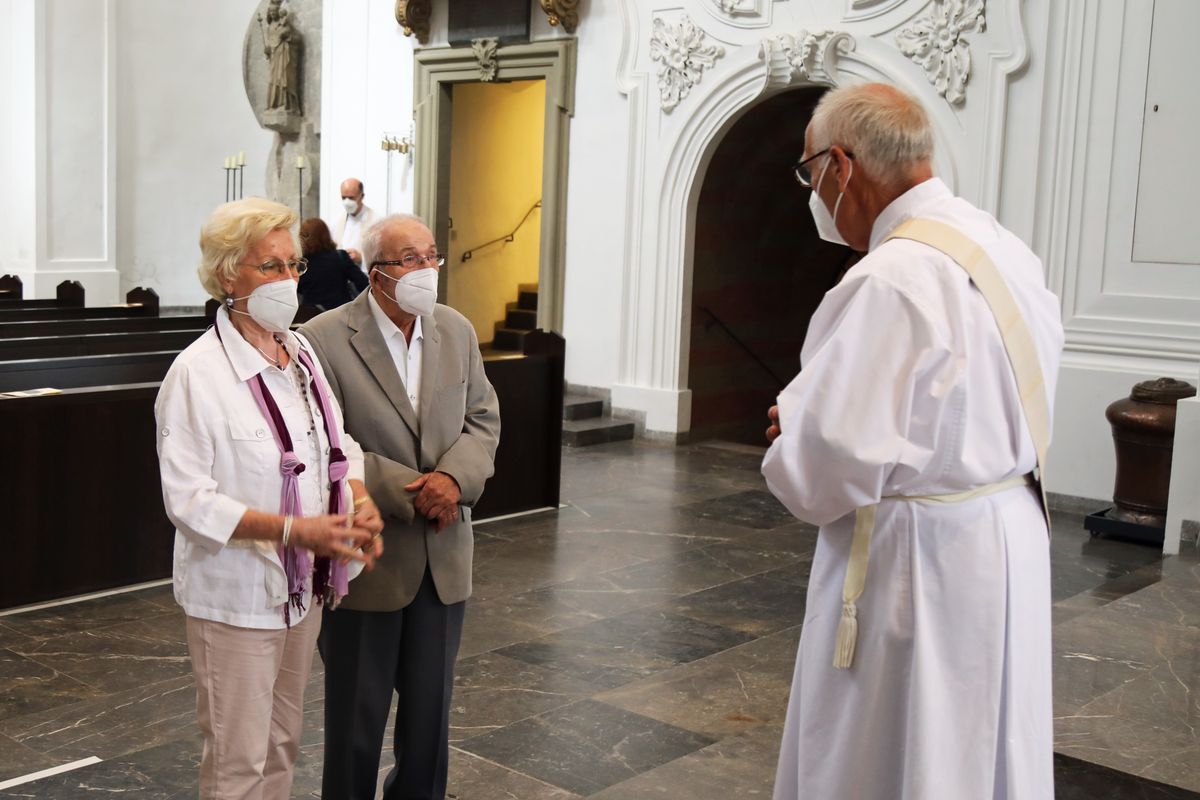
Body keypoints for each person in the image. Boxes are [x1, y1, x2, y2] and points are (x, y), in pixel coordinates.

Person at [762, 83, 1064, 800]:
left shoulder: (891, 277)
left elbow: (821, 469)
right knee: (985, 741)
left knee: (904, 748)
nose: (812, 190)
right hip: (1004, 527)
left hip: (917, 559)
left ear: (841, 165)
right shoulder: (1001, 246)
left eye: (809, 173)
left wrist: (794, 429)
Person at [155, 197, 384, 800]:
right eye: (270, 267)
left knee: (282, 744)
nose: (287, 281)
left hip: (298, 591)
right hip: (235, 597)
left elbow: (338, 443)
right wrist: (294, 531)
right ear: (230, 276)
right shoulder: (196, 374)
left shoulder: (299, 353)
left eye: (293, 266)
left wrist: (357, 496)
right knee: (237, 761)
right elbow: (190, 502)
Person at [299, 213, 501, 800]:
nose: (426, 269)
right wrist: (418, 490)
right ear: (374, 271)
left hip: (444, 554)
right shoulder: (323, 338)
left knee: (430, 720)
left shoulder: (455, 329)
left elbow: (483, 418)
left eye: (431, 256)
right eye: (410, 258)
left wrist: (455, 481)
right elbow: (328, 441)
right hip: (370, 555)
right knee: (356, 723)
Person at [298, 217, 368, 309]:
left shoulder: (301, 263)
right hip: (340, 315)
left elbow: (298, 289)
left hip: (310, 316)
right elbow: (363, 283)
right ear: (326, 235)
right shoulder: (340, 257)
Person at [336, 178, 377, 267]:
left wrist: (361, 258)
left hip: (364, 275)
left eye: (351, 198)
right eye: (343, 198)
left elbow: (381, 255)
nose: (347, 202)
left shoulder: (376, 221)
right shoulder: (336, 220)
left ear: (362, 196)